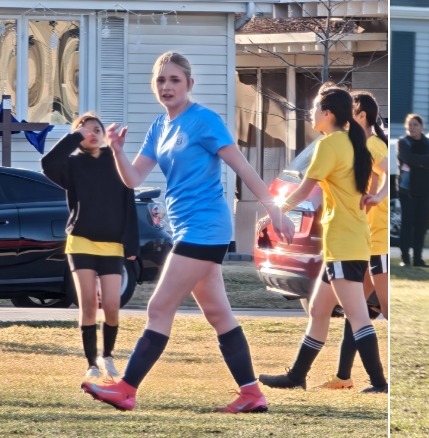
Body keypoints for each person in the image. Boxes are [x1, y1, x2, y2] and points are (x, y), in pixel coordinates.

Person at [81, 51, 295, 413]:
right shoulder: (159, 127)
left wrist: (274, 210)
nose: (167, 86)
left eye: (174, 80)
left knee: (159, 305)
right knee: (219, 314)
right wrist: (116, 150)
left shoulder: (204, 121)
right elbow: (133, 179)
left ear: (189, 84)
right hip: (184, 227)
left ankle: (127, 388)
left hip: (205, 227)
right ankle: (252, 394)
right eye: (161, 80)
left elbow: (243, 167)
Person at [258, 84, 388, 393]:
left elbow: (303, 189)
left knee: (358, 316)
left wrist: (274, 213)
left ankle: (380, 383)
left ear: (328, 114)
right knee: (318, 309)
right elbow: (382, 172)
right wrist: (377, 194)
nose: (312, 113)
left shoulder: (329, 145)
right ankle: (296, 376)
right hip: (346, 241)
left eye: (316, 108)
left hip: (345, 243)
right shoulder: (355, 142)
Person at [41, 112, 138, 380]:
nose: (92, 134)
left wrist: (131, 242)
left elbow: (128, 199)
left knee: (111, 305)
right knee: (88, 305)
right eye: (85, 130)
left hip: (112, 244)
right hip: (80, 242)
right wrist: (73, 136)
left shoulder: (114, 161)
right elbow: (47, 163)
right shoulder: (71, 165)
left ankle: (108, 357)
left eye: (97, 129)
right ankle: (91, 364)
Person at [318, 91, 389, 390]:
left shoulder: (372, 144)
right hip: (366, 239)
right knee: (358, 311)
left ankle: (385, 381)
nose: (348, 120)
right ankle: (344, 376)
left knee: (386, 310)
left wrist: (379, 196)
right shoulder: (359, 146)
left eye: (353, 113)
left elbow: (392, 172)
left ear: (361, 116)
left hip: (378, 239)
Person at [397, 114, 429, 268]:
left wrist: (420, 161)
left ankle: (418, 258)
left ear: (422, 127)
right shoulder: (404, 143)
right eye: (410, 125)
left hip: (425, 189)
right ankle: (405, 258)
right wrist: (425, 160)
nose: (412, 128)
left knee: (421, 225)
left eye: (416, 125)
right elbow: (407, 158)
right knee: (407, 224)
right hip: (407, 190)